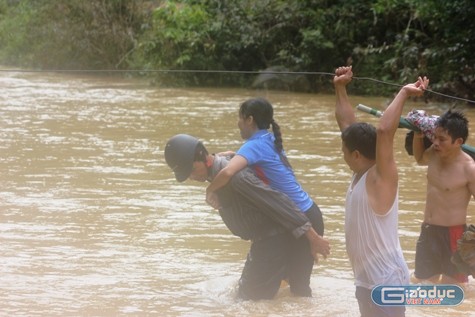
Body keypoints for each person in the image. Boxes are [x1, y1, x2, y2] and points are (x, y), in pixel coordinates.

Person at [164, 134, 330, 300]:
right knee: (293, 294)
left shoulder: (236, 177)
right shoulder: (220, 171)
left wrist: (313, 236)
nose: (192, 177)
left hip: (272, 240)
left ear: (203, 157)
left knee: (247, 301)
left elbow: (278, 202)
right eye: (188, 174)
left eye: (192, 170)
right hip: (272, 238)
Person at [204, 97, 327, 297]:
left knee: (298, 288)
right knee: (293, 286)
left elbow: (227, 173)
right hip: (308, 211)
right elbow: (254, 161)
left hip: (300, 217)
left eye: (240, 118)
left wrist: (209, 191)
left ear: (249, 120)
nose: (238, 123)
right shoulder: (268, 139)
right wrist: (229, 153)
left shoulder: (252, 147)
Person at [334, 65, 428, 317]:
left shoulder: (380, 177)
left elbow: (385, 131)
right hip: (366, 280)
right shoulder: (359, 172)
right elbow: (345, 123)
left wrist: (404, 93)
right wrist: (340, 88)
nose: (341, 153)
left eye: (343, 150)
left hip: (387, 281)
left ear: (355, 154)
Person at [411, 108, 475, 284]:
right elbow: (420, 159)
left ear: (458, 141)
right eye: (434, 137)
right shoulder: (434, 153)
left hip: (453, 235)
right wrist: (418, 135)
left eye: (442, 139)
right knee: (423, 285)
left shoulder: (469, 168)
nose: (436, 142)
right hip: (428, 231)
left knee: (453, 292)